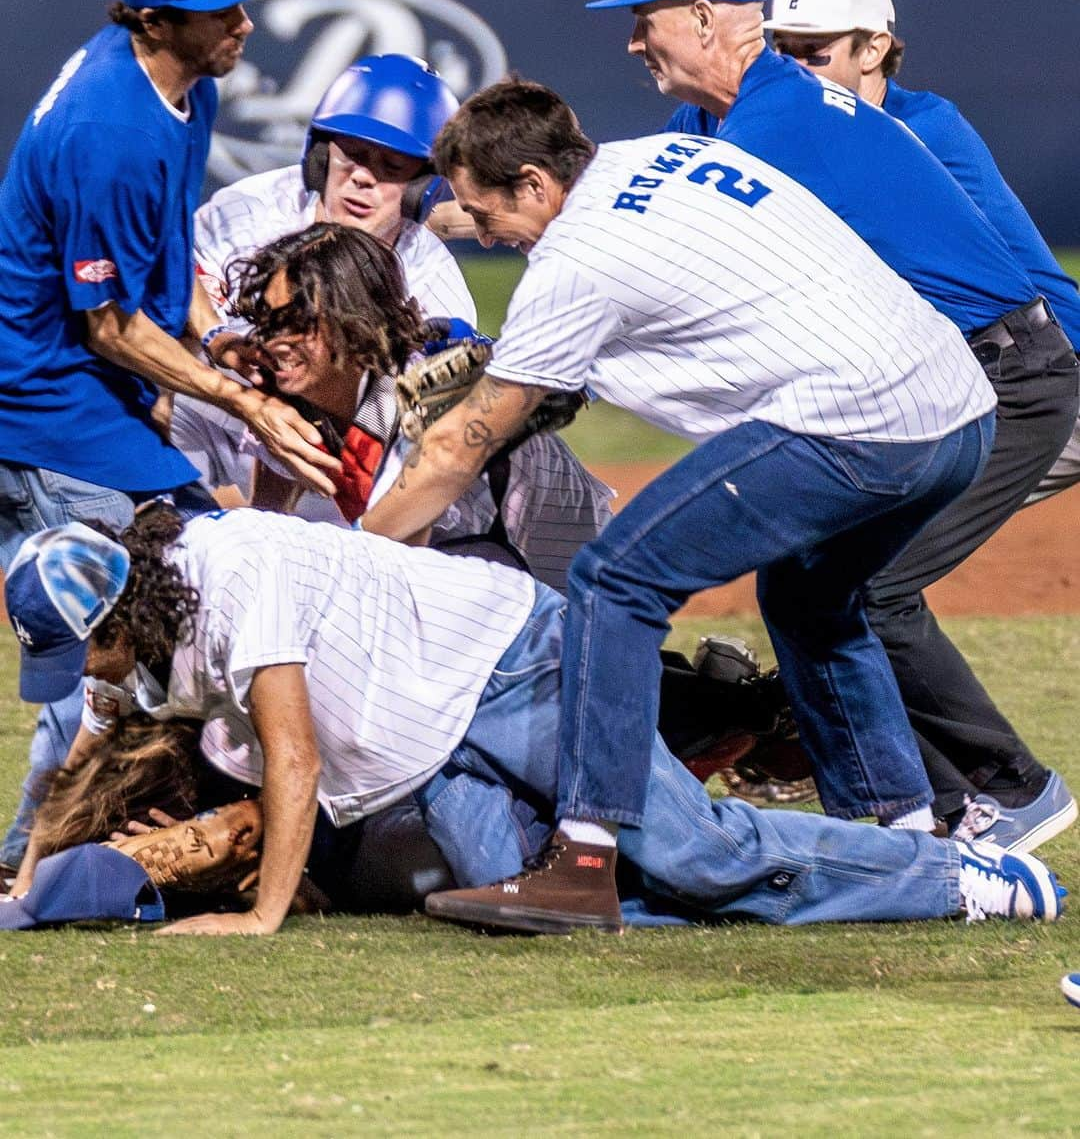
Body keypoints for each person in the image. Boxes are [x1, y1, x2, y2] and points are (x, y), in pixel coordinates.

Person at [355, 76, 1004, 931]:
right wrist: (432, 218)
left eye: (486, 215)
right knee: (809, 600)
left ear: (538, 186)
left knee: (613, 582)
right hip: (956, 412)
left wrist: (352, 556)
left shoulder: (572, 266)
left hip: (859, 424)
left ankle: (583, 858)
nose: (484, 236)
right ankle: (910, 835)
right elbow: (582, 239)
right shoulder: (665, 154)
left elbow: (451, 452)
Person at [588, 0, 1078, 850]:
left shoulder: (837, 124)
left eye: (642, 19)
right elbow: (632, 193)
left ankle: (1004, 791)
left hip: (1010, 374)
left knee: (869, 585)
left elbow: (1012, 269)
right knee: (809, 582)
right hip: (939, 376)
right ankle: (902, 808)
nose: (630, 39)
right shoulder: (730, 118)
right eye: (789, 45)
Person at [4, 514, 1063, 935]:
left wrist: (261, 916)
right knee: (548, 909)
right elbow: (80, 750)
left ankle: (961, 882)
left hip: (519, 665)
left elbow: (293, 752)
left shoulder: (235, 574)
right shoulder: (136, 634)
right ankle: (792, 880)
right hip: (436, 748)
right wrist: (22, 875)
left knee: (689, 851)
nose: (78, 673)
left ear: (117, 615)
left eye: (75, 648)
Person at [0, 0, 339, 876]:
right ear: (153, 18)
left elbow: (166, 256)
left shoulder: (185, 86)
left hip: (90, 397)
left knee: (185, 595)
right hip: (45, 408)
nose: (243, 23)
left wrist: (219, 335)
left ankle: (135, 828)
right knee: (105, 635)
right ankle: (28, 858)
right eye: (216, 10)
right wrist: (246, 403)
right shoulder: (103, 127)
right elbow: (106, 323)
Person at [763, 0, 1080, 508]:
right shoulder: (827, 128)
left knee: (865, 537)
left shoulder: (921, 130)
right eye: (781, 52)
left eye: (813, 54)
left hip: (1056, 373)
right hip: (985, 379)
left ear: (875, 50)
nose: (792, 70)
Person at [226, 220, 613, 592]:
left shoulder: (430, 387)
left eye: (297, 322)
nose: (274, 340)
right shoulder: (293, 404)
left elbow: (397, 561)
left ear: (352, 316)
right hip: (468, 556)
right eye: (267, 321)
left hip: (553, 561)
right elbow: (267, 523)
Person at [170, 52, 477, 511]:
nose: (362, 178)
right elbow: (168, 289)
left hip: (332, 455)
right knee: (139, 402)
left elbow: (425, 445)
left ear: (424, 187)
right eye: (352, 154)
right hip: (217, 408)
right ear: (320, 154)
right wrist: (218, 344)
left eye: (391, 166)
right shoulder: (247, 211)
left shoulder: (431, 286)